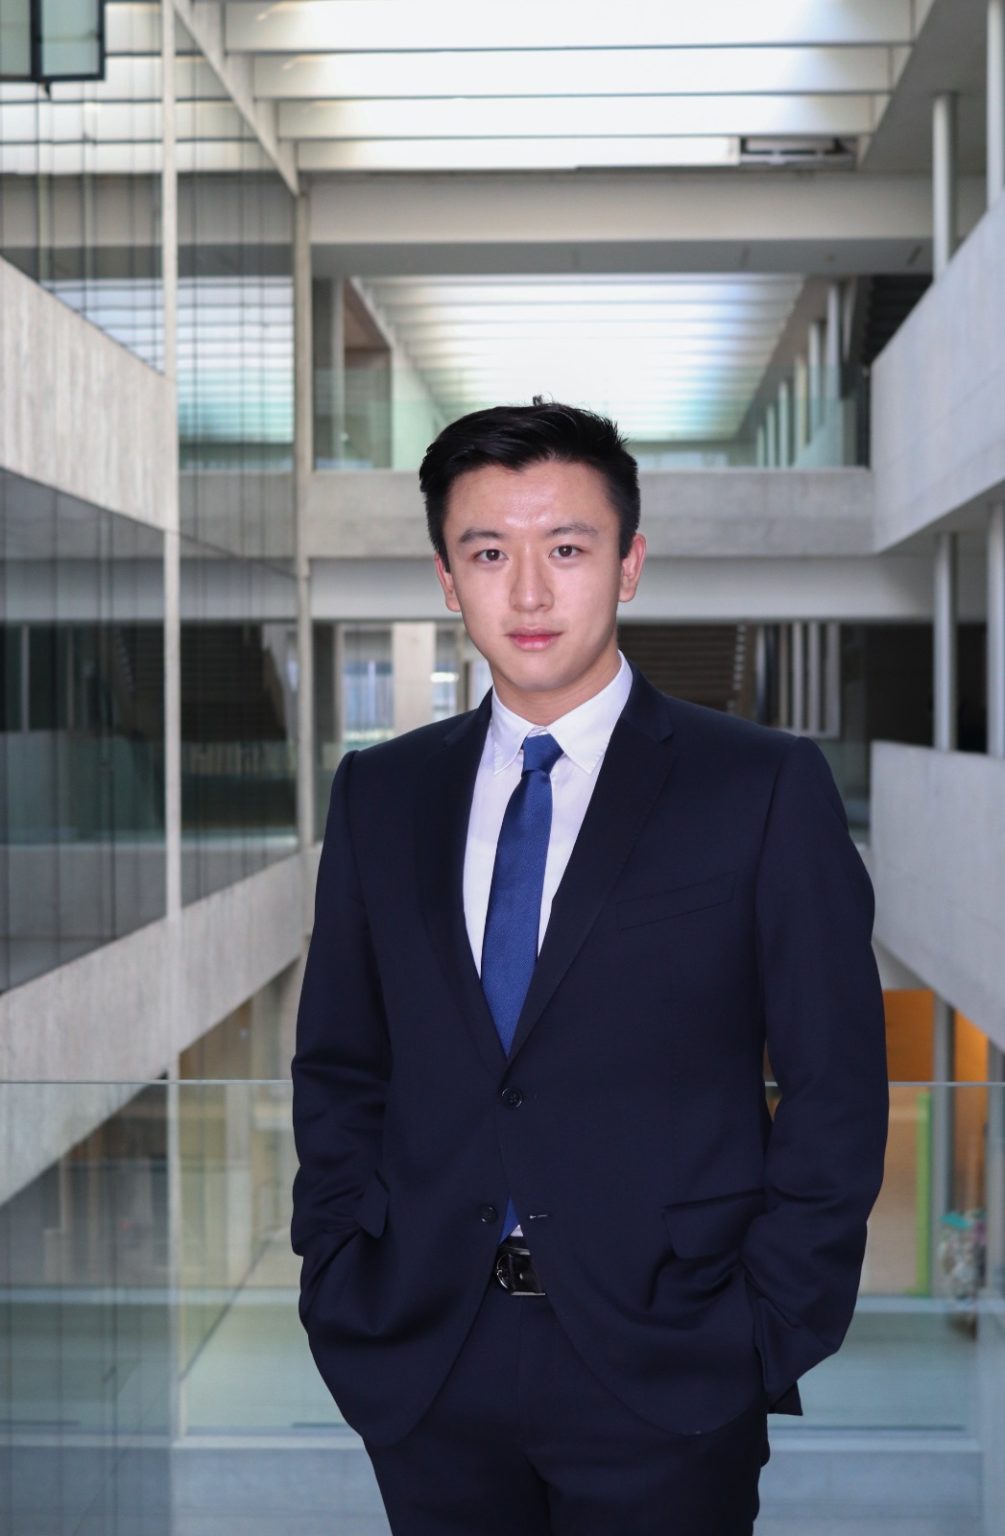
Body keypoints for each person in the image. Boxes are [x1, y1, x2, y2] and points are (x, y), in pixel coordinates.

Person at [290, 399, 889, 1535]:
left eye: (565, 549)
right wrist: (338, 1271)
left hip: (671, 1360)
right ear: (446, 578)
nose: (527, 592)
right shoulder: (381, 793)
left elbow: (837, 1083)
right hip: (427, 1354)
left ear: (628, 565)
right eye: (488, 553)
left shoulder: (760, 786)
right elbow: (340, 1061)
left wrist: (768, 1326)